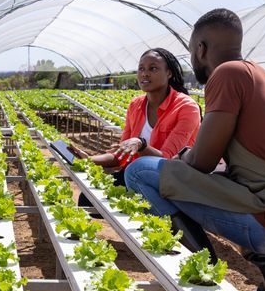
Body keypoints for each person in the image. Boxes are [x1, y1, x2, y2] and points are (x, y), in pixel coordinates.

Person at [124, 8, 265, 291]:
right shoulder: (257, 73)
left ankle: (201, 272)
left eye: (192, 51)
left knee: (140, 172)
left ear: (201, 49)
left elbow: (201, 162)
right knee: (174, 178)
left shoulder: (226, 74)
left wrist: (183, 157)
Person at [73, 48, 201, 204]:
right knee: (86, 199)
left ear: (169, 73)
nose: (145, 74)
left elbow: (168, 161)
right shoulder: (136, 105)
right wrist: (88, 159)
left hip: (171, 180)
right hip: (136, 175)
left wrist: (141, 144)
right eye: (141, 69)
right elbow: (122, 153)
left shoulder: (186, 107)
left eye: (153, 68)